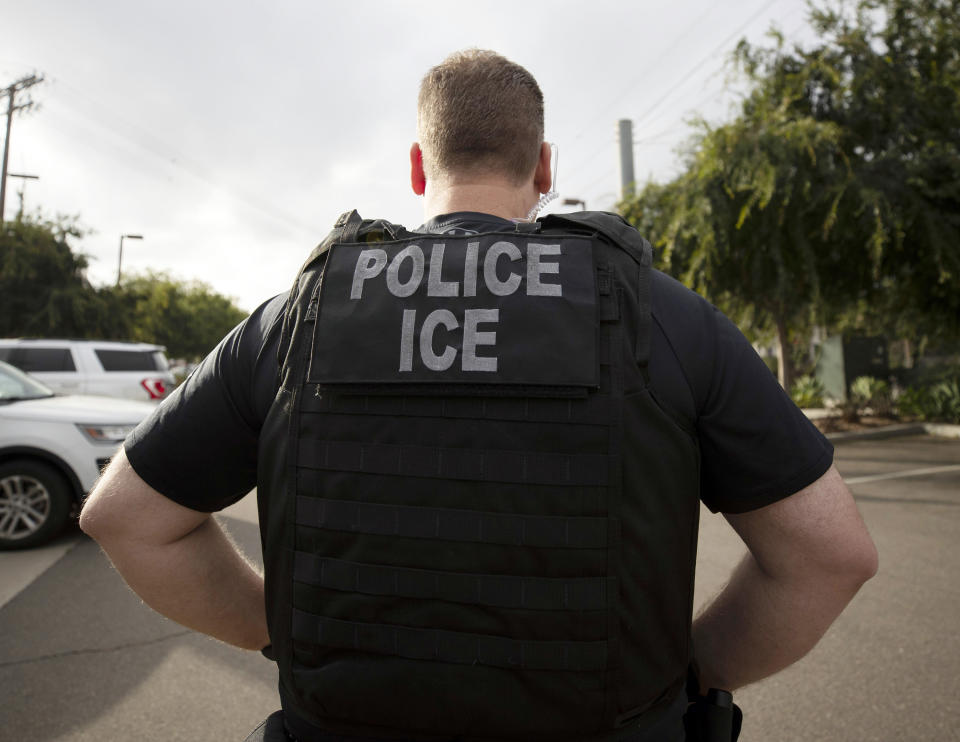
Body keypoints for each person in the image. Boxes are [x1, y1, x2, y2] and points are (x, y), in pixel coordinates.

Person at [80, 50, 878, 742]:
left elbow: (125, 519)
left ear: (420, 168)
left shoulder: (301, 317)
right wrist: (693, 670)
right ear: (544, 169)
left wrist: (273, 628)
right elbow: (829, 556)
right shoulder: (660, 313)